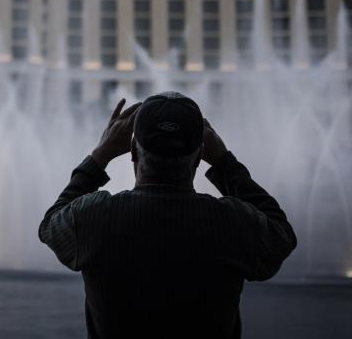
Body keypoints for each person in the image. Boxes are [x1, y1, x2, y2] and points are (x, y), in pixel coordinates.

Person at [38, 92, 297, 339]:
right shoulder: (233, 223)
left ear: (134, 152)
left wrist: (100, 154)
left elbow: (50, 224)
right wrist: (224, 162)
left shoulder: (93, 218)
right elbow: (282, 236)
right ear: (199, 156)